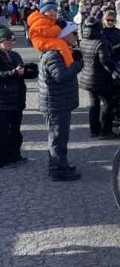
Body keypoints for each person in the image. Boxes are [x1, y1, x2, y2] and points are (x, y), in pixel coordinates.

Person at [38, 21, 83, 181]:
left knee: (60, 137)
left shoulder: (62, 51)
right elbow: (60, 76)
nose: (77, 37)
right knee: (57, 138)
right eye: (74, 33)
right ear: (63, 35)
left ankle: (61, 164)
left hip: (59, 102)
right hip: (55, 104)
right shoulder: (54, 54)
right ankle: (57, 170)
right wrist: (78, 65)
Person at [0, 26, 38, 167]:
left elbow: (21, 72)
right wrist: (13, 73)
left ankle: (15, 155)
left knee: (16, 130)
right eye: (7, 40)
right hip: (3, 100)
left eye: (12, 40)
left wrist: (30, 71)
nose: (10, 42)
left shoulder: (15, 55)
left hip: (17, 98)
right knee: (4, 132)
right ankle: (3, 159)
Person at [78, 17, 118, 139]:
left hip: (87, 77)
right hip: (100, 78)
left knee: (94, 104)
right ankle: (106, 131)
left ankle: (94, 130)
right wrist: (114, 71)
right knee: (108, 103)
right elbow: (105, 60)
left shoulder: (83, 41)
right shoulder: (100, 42)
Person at [28, 0, 76, 67]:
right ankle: (70, 64)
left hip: (46, 39)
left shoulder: (48, 19)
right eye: (49, 10)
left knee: (64, 44)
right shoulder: (41, 20)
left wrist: (58, 22)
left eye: (54, 10)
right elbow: (48, 33)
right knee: (61, 44)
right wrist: (59, 27)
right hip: (41, 42)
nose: (53, 12)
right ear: (43, 12)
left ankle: (69, 54)